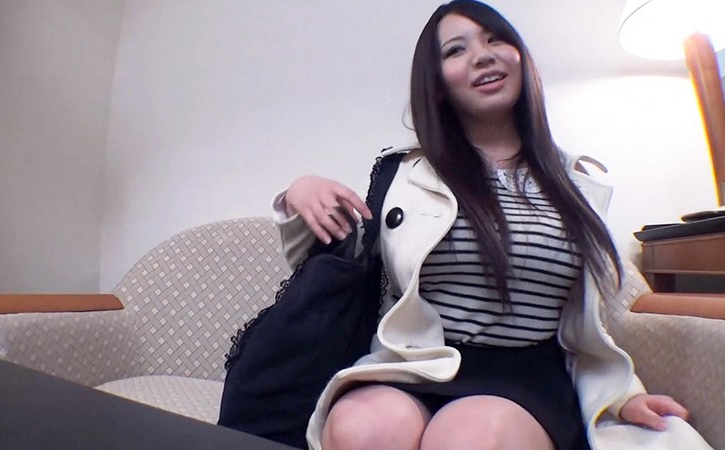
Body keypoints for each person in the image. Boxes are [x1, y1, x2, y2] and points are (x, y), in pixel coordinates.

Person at [271, 1, 712, 449]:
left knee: (467, 438)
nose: (482, 56)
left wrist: (624, 396)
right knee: (362, 429)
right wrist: (298, 195)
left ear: (519, 57)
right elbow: (333, 273)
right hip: (413, 363)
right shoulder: (404, 176)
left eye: (494, 39)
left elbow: (587, 327)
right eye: (456, 50)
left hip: (525, 375)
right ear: (437, 84)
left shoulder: (575, 184)